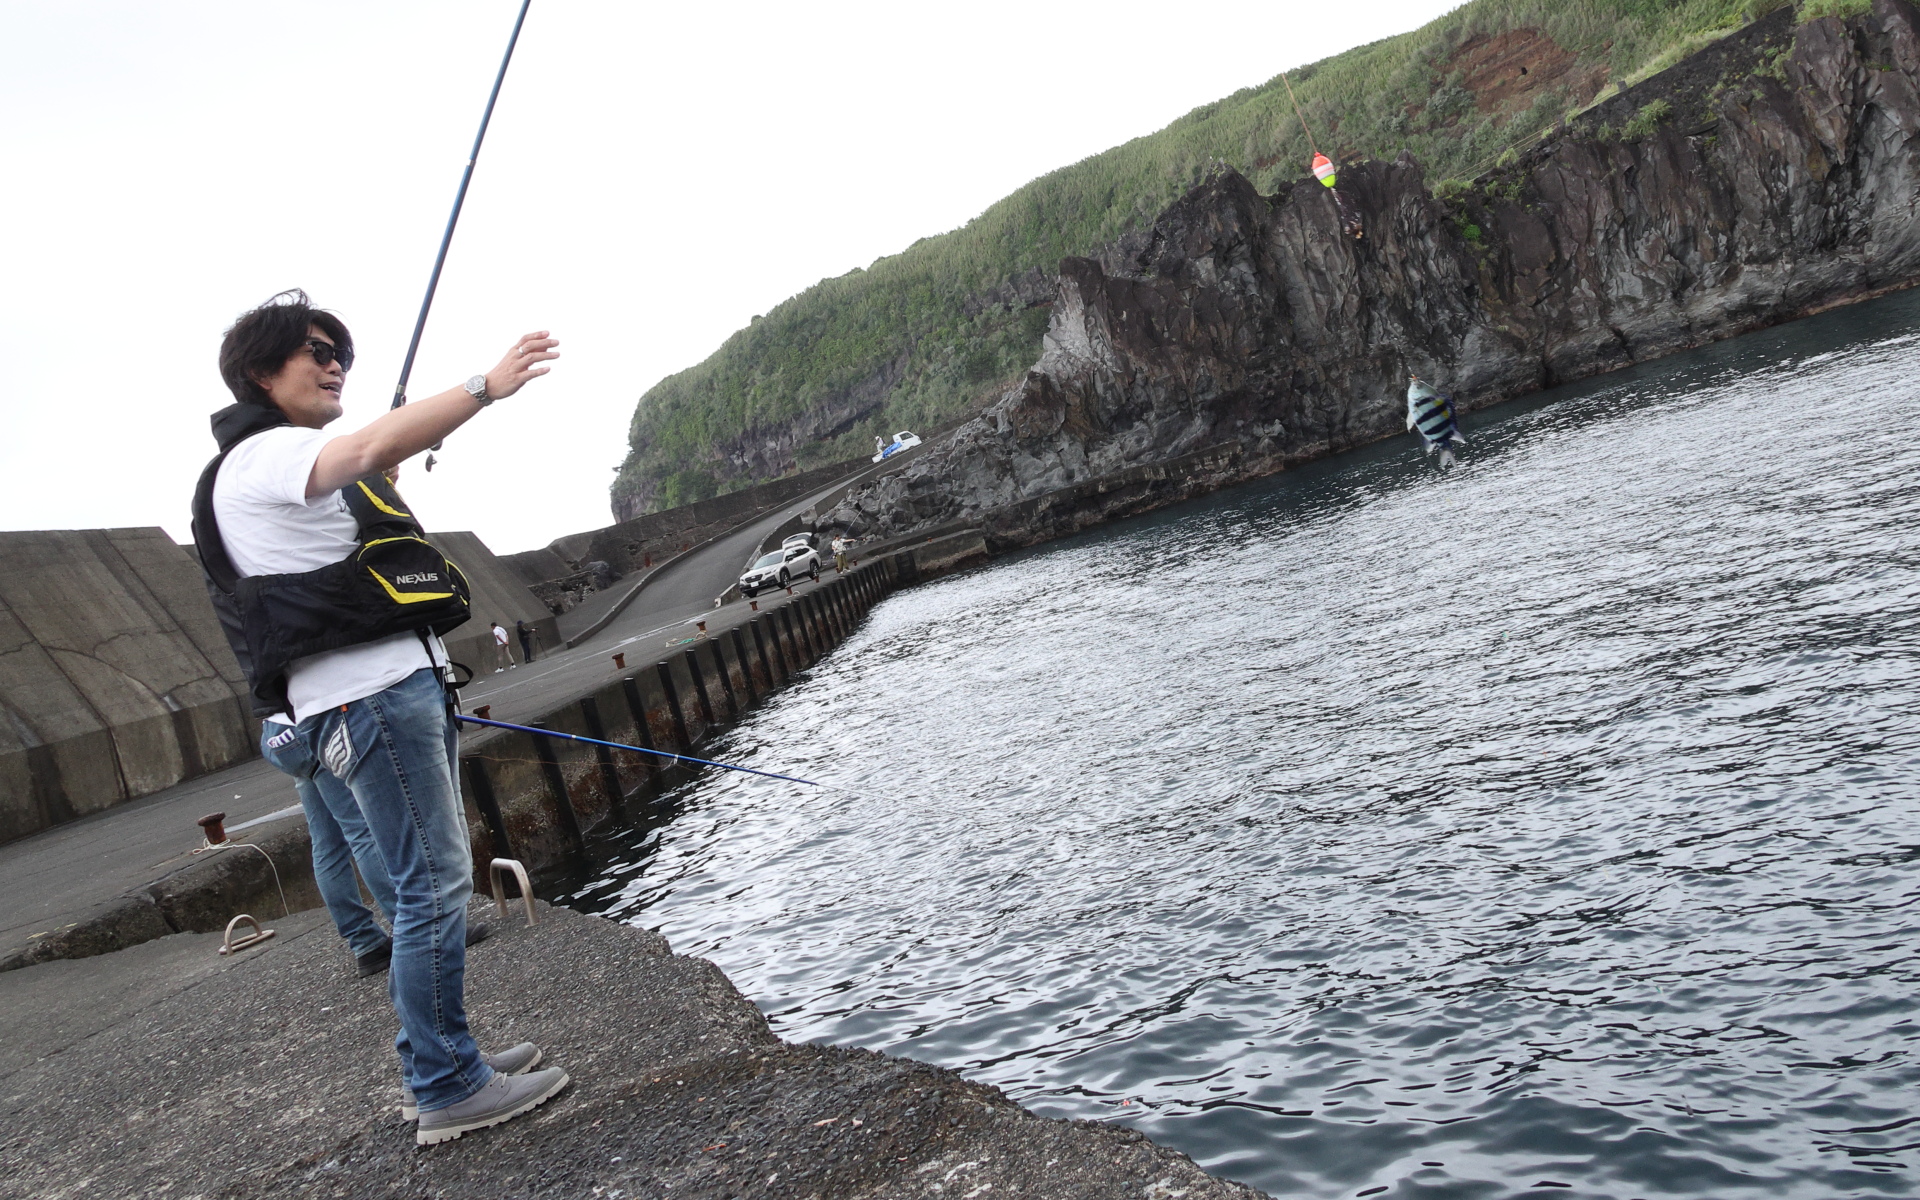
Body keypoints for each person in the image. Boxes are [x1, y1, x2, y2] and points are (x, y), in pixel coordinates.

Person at [194, 290, 568, 1146]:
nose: (334, 365)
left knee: (421, 881)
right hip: (370, 700)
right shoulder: (262, 455)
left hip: (384, 690)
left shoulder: (283, 468)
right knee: (431, 885)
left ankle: (441, 1056)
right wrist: (486, 384)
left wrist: (379, 468)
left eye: (342, 355)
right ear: (260, 372)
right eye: (315, 351)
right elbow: (364, 446)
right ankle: (445, 1084)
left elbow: (361, 479)